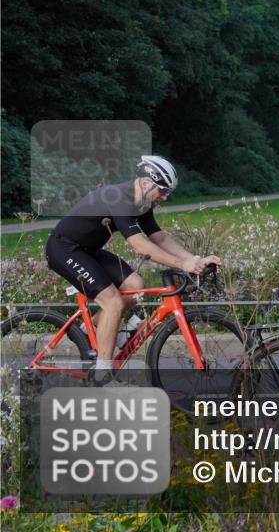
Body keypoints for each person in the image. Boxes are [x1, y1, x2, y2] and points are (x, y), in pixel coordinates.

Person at [45, 156, 222, 386]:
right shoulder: (120, 198)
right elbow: (140, 245)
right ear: (147, 182)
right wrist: (181, 265)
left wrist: (194, 259)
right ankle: (103, 376)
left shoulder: (143, 202)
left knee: (136, 287)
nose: (166, 197)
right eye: (164, 190)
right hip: (63, 248)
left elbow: (158, 237)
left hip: (87, 250)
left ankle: (91, 332)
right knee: (113, 303)